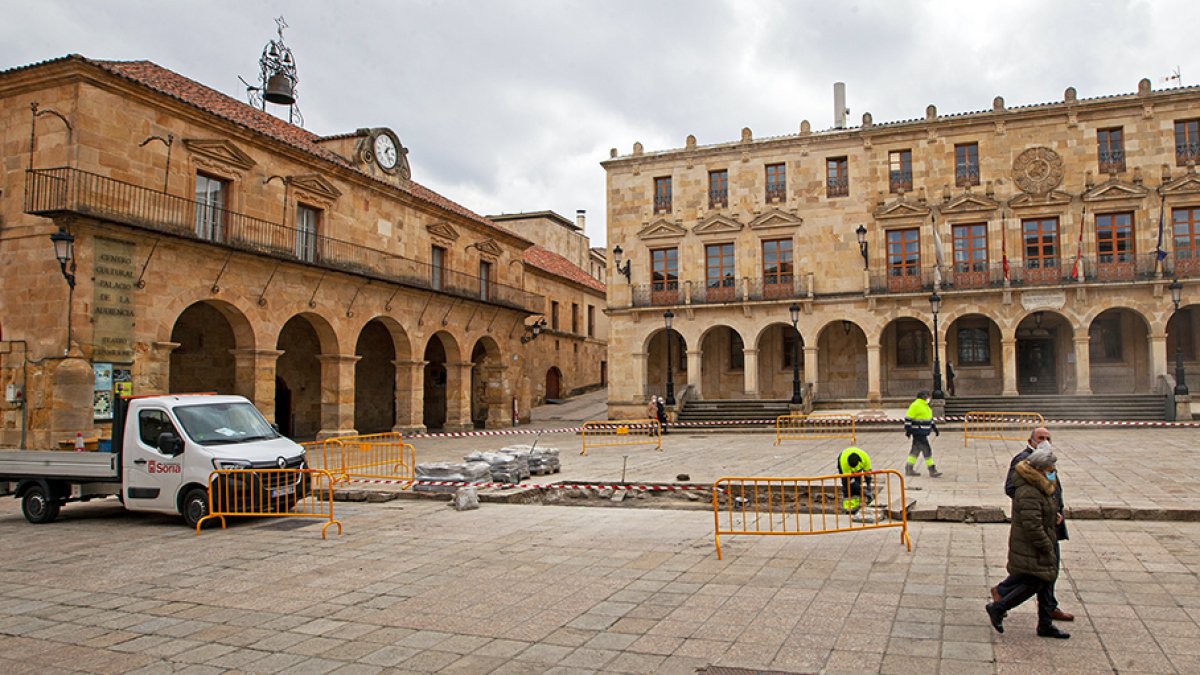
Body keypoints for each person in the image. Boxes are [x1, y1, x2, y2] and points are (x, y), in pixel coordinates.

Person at [985, 448, 1071, 639]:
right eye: (1050, 469)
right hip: (1032, 544)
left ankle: (1045, 624)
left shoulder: (1040, 484)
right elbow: (1031, 524)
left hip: (1043, 538)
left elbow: (1041, 511)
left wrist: (1054, 516)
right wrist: (1045, 545)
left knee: (1045, 581)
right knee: (1037, 581)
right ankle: (999, 606)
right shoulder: (1029, 490)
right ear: (1039, 469)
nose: (1053, 472)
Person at [904, 390, 942, 477]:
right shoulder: (916, 405)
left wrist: (934, 428)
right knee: (926, 450)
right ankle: (932, 469)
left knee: (915, 451)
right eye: (928, 396)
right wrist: (908, 430)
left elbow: (929, 419)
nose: (929, 398)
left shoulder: (926, 406)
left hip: (923, 432)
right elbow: (908, 418)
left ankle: (909, 468)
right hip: (918, 432)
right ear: (924, 397)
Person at [836, 446, 874, 512]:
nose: (853, 470)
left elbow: (868, 474)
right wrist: (864, 492)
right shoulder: (844, 463)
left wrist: (869, 485)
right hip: (844, 465)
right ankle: (848, 508)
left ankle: (855, 507)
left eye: (854, 467)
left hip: (858, 469)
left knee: (857, 483)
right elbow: (850, 480)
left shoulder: (865, 459)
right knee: (847, 486)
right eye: (852, 467)